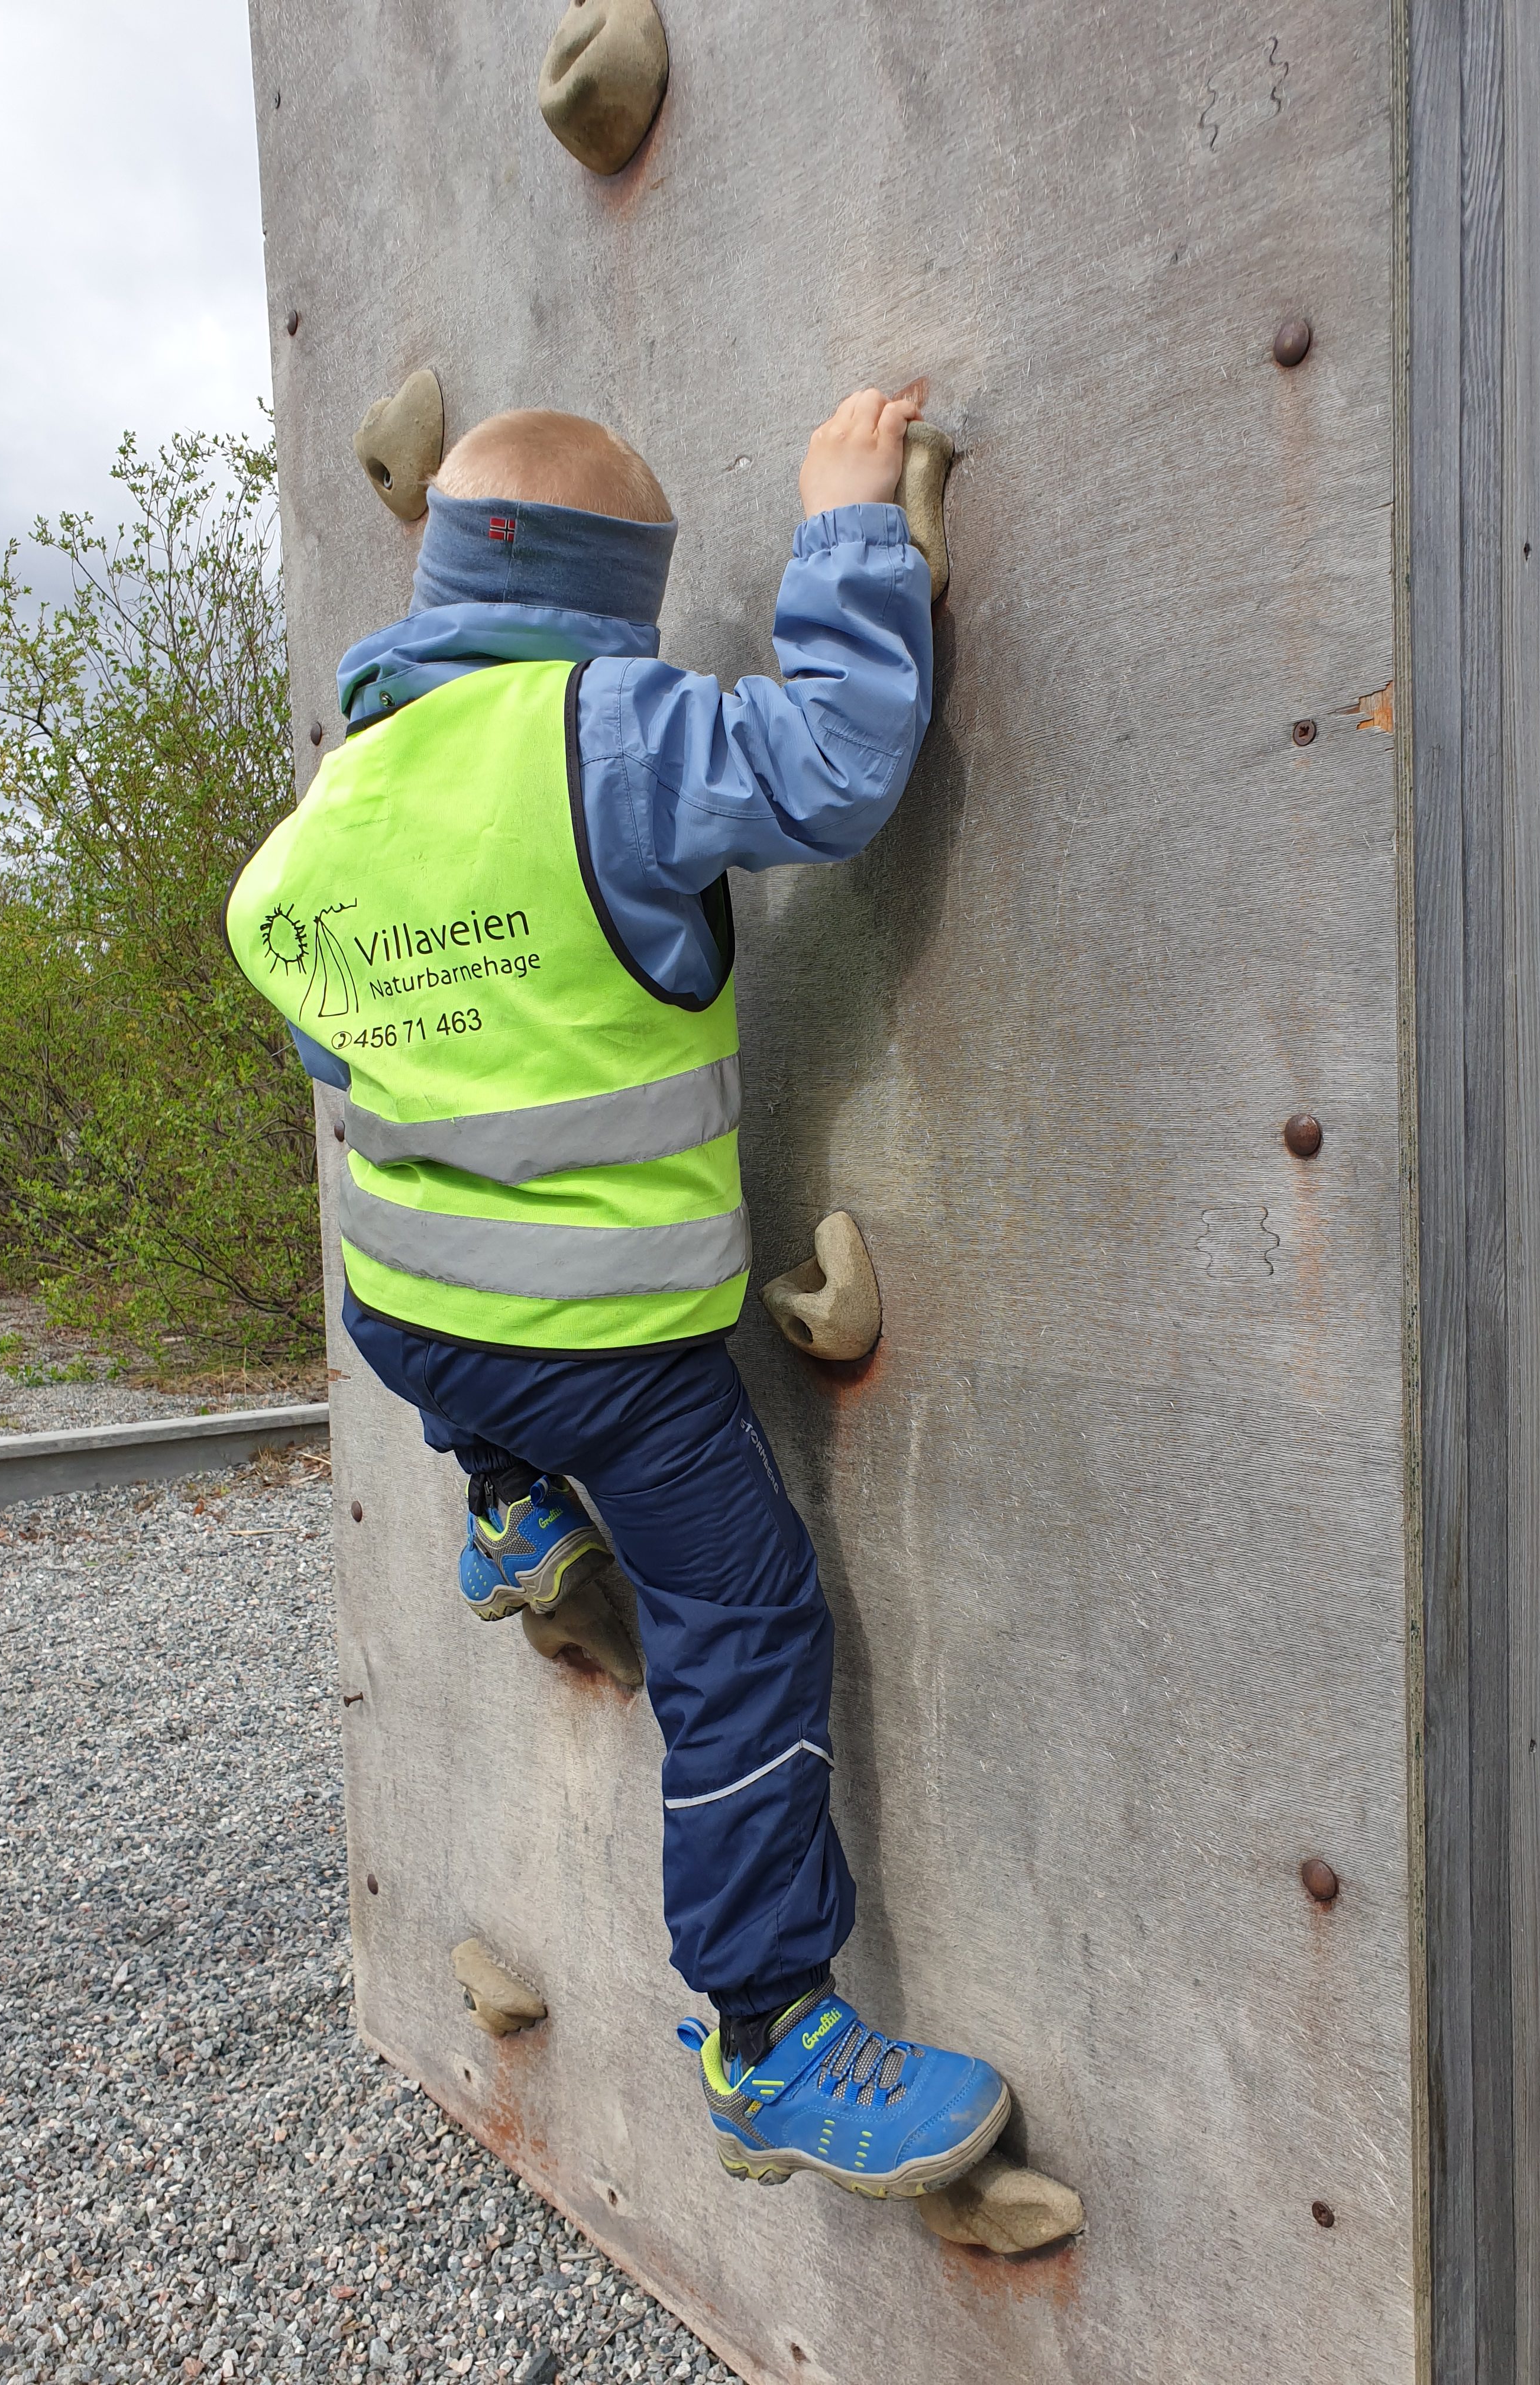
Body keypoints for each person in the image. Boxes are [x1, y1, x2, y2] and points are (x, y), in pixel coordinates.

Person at [225, 392, 1010, 2199]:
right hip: (609, 1355)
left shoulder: (354, 779)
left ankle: (505, 1522)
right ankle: (770, 2035)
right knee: (745, 1634)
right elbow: (830, 768)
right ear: (611, 595)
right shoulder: (609, 727)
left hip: (410, 1312)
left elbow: (289, 981)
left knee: (468, 1378)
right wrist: (847, 526)